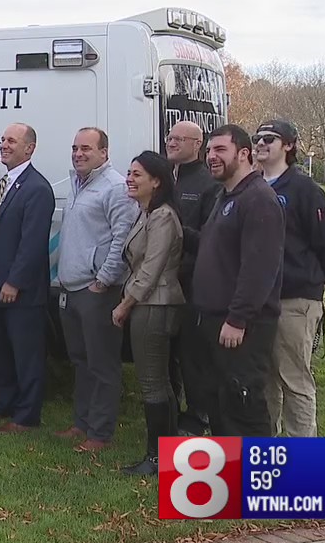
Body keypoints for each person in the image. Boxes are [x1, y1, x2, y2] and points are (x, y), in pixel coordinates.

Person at [254, 120, 325, 437]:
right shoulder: (253, 186)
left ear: (289, 145)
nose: (261, 143)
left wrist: (313, 280)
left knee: (294, 380)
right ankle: (269, 452)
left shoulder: (305, 190)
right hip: (257, 301)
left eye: (269, 138)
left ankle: (302, 459)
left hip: (294, 300)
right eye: (257, 138)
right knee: (265, 380)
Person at [192, 124, 286, 436]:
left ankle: (258, 482)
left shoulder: (259, 199)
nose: (211, 157)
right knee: (220, 404)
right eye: (208, 151)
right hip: (212, 321)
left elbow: (259, 268)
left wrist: (238, 318)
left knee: (243, 404)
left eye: (220, 150)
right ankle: (227, 479)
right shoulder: (226, 196)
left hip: (239, 326)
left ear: (244, 154)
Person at [55, 128, 137, 452]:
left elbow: (122, 238)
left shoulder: (115, 188)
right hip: (71, 288)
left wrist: (103, 280)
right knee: (80, 360)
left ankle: (100, 433)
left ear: (104, 152)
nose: (78, 154)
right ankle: (81, 423)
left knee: (102, 363)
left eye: (86, 148)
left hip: (98, 291)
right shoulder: (77, 183)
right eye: (75, 148)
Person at [0, 123, 56, 433]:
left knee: (26, 355)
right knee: (2, 351)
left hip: (21, 292)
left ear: (29, 148)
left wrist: (14, 282)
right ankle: (4, 404)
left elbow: (31, 244)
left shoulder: (37, 189)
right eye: (3, 140)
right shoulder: (4, 183)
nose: (4, 145)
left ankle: (26, 416)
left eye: (12, 140)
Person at [111, 151, 185, 475]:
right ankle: (164, 455)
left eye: (137, 174)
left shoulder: (162, 217)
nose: (129, 178)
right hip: (149, 303)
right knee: (160, 383)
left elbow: (150, 271)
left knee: (153, 383)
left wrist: (125, 305)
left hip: (154, 304)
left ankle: (156, 459)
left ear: (156, 181)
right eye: (129, 172)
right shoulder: (146, 213)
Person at [165, 120, 221, 436]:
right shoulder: (166, 178)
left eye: (178, 139)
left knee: (192, 357)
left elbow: (210, 241)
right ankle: (170, 413)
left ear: (196, 144)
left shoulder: (208, 184)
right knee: (167, 354)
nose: (171, 142)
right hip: (163, 282)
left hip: (192, 285)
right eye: (169, 137)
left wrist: (174, 229)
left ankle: (199, 418)